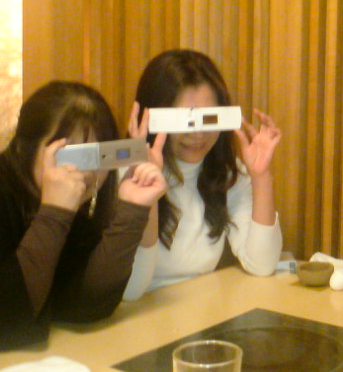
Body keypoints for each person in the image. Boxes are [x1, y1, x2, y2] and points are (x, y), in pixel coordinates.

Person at [0, 81, 167, 350]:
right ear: (26, 147)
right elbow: (7, 321)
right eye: (71, 154)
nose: (86, 172)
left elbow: (86, 306)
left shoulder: (74, 213)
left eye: (98, 155)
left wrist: (132, 211)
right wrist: (53, 215)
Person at [123, 49, 282, 300]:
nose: (197, 134)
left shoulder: (227, 174)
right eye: (183, 120)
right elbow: (131, 290)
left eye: (208, 118)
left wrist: (260, 177)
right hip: (139, 312)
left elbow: (262, 264)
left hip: (201, 310)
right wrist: (147, 194)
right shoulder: (124, 176)